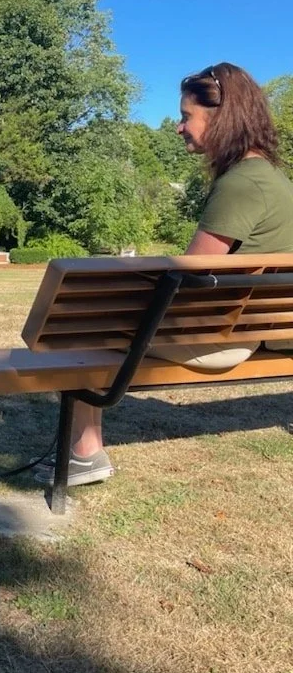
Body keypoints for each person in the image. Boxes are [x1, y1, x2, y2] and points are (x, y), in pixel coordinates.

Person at [34, 62, 293, 487]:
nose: (178, 127)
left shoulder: (243, 183)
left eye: (186, 116)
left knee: (76, 325)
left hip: (220, 340)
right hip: (253, 330)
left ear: (221, 118)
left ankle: (85, 455)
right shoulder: (273, 178)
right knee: (90, 317)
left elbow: (187, 275)